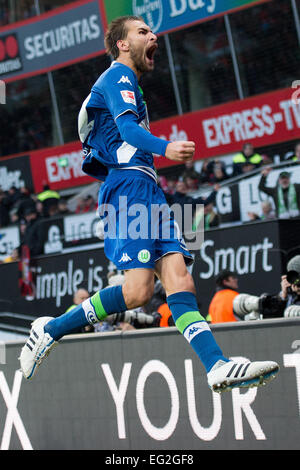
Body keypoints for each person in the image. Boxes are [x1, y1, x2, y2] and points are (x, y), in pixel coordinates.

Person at [19, 15, 279, 393]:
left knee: (178, 280)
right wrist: (167, 147)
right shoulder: (117, 76)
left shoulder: (134, 88)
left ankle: (217, 365)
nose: (152, 35)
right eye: (142, 31)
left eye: (151, 31)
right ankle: (51, 329)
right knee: (138, 291)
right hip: (127, 190)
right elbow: (126, 131)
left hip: (148, 191)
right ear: (123, 44)